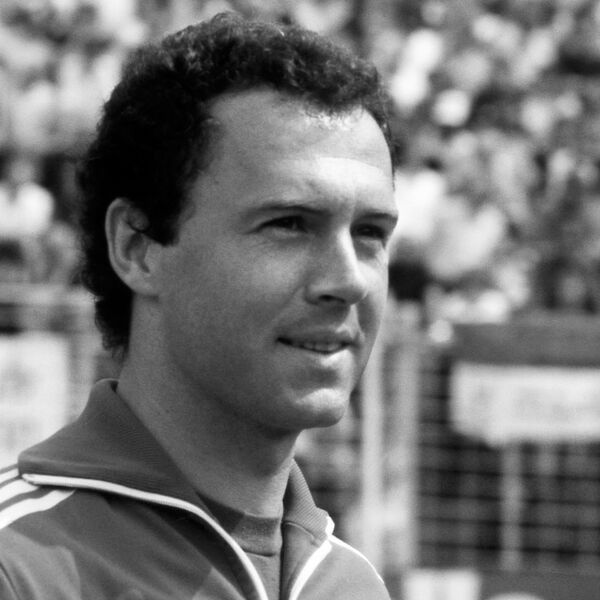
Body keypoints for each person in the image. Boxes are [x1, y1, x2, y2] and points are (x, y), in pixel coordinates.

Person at [0, 12, 399, 600]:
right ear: (137, 247)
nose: (348, 280)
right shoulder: (19, 567)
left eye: (370, 233)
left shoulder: (353, 585)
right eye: (289, 223)